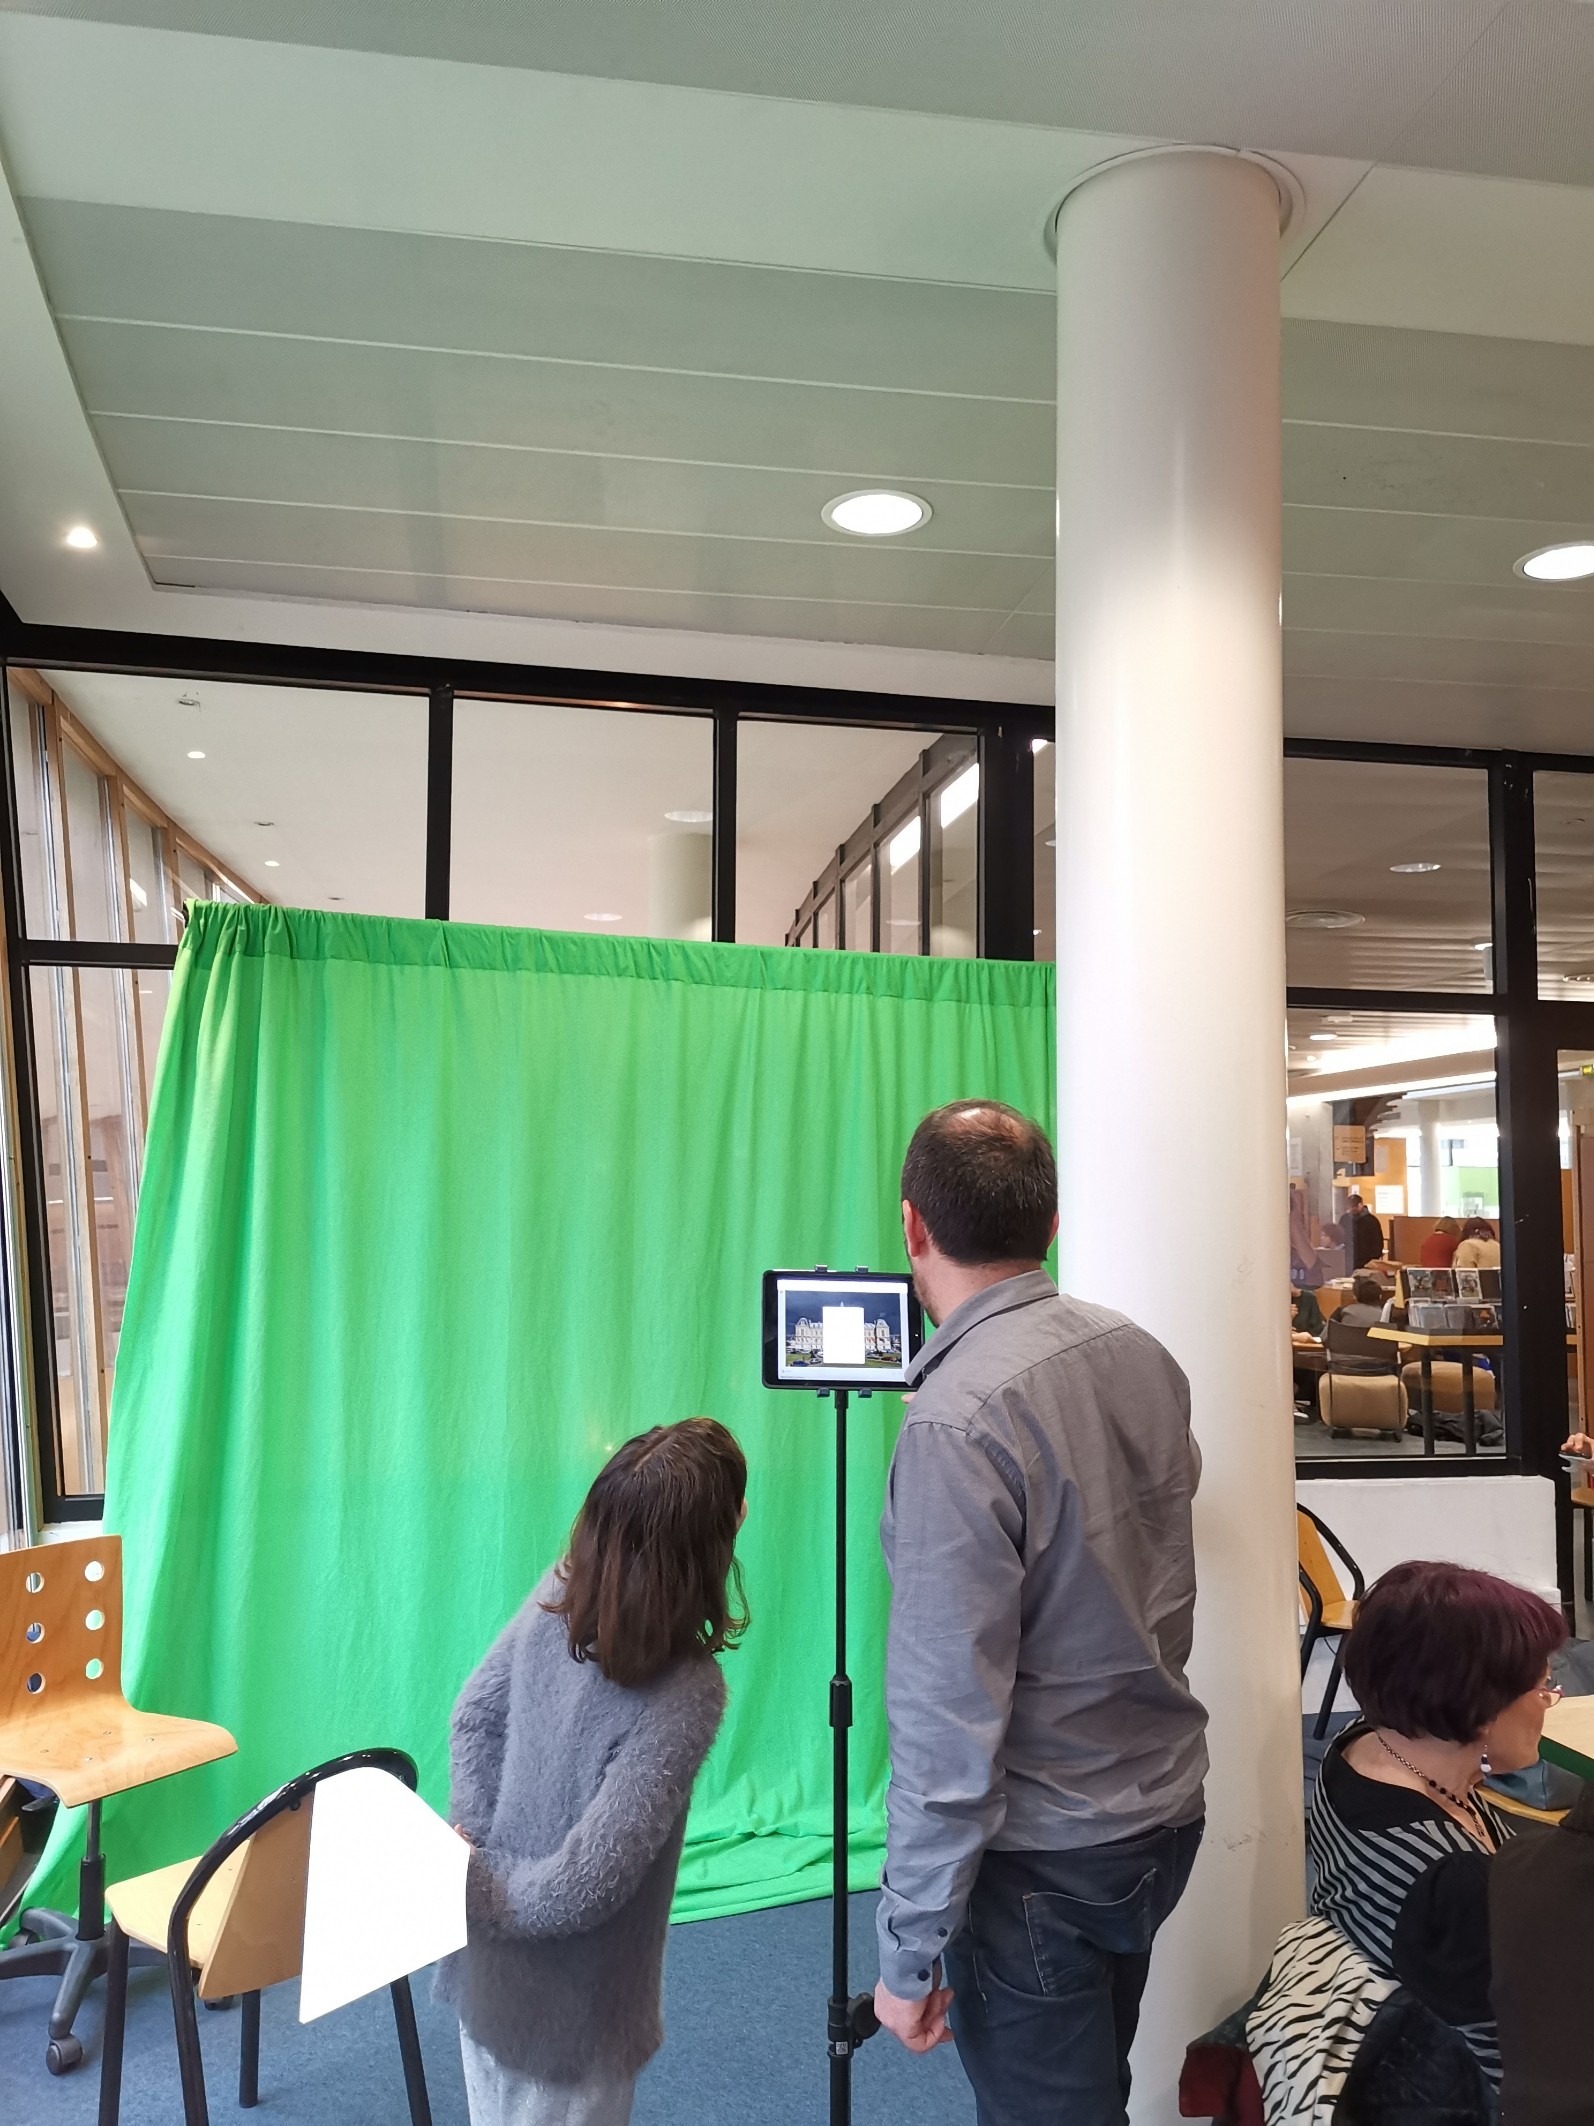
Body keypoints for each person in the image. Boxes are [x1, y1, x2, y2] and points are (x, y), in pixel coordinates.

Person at [872, 1100, 1207, 2126]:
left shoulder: (955, 1421)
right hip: (1160, 1817)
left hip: (1043, 1861)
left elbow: (945, 1716)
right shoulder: (1141, 1353)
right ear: (1050, 1224)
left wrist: (908, 1948)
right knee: (1095, 2084)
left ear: (911, 1225)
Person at [439, 1418, 748, 2126]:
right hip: (574, 2017)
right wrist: (475, 1874)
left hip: (491, 1970)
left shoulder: (563, 1587)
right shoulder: (690, 1691)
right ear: (723, 1534)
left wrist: (470, 1863)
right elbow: (585, 1886)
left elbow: (473, 1718)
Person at [1307, 1559, 1566, 2097]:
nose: (1550, 1703)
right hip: (1452, 2083)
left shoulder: (1361, 1743)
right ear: (1483, 1710)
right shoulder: (1451, 1882)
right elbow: (1521, 2066)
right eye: (1544, 1688)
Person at [1346, 1194, 1387, 1271]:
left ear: (1361, 1204)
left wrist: (1373, 1260)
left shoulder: (1372, 1221)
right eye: (1351, 1206)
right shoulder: (1345, 1219)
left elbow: (1377, 1241)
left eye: (1355, 1206)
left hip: (1367, 1263)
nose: (1353, 1208)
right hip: (1348, 1262)